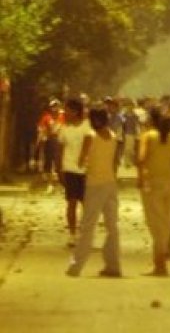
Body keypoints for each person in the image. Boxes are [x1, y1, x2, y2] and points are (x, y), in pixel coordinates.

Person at [66, 108, 121, 278]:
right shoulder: (112, 136)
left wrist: (83, 161)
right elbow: (114, 162)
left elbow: (82, 160)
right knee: (112, 227)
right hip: (111, 184)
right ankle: (113, 265)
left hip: (94, 184)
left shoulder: (91, 136)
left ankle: (76, 266)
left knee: (88, 226)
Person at [138, 108, 170, 276]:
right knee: (166, 224)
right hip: (169, 184)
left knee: (155, 224)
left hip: (152, 184)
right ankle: (160, 263)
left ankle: (160, 264)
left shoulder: (148, 136)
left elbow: (142, 158)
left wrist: (141, 177)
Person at [57, 98, 90, 248]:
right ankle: (72, 234)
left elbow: (88, 145)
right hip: (69, 169)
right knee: (71, 202)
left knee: (87, 203)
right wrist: (59, 169)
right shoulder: (64, 129)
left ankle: (86, 233)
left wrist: (83, 160)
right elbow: (60, 149)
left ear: (76, 111)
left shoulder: (86, 126)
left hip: (84, 170)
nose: (66, 113)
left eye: (68, 110)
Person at [37, 99, 64, 194]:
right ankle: (50, 184)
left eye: (56, 106)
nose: (55, 108)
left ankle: (61, 184)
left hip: (60, 141)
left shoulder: (63, 116)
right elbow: (41, 128)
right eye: (53, 106)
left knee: (59, 163)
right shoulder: (46, 117)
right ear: (51, 107)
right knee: (48, 162)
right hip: (49, 141)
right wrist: (41, 138)